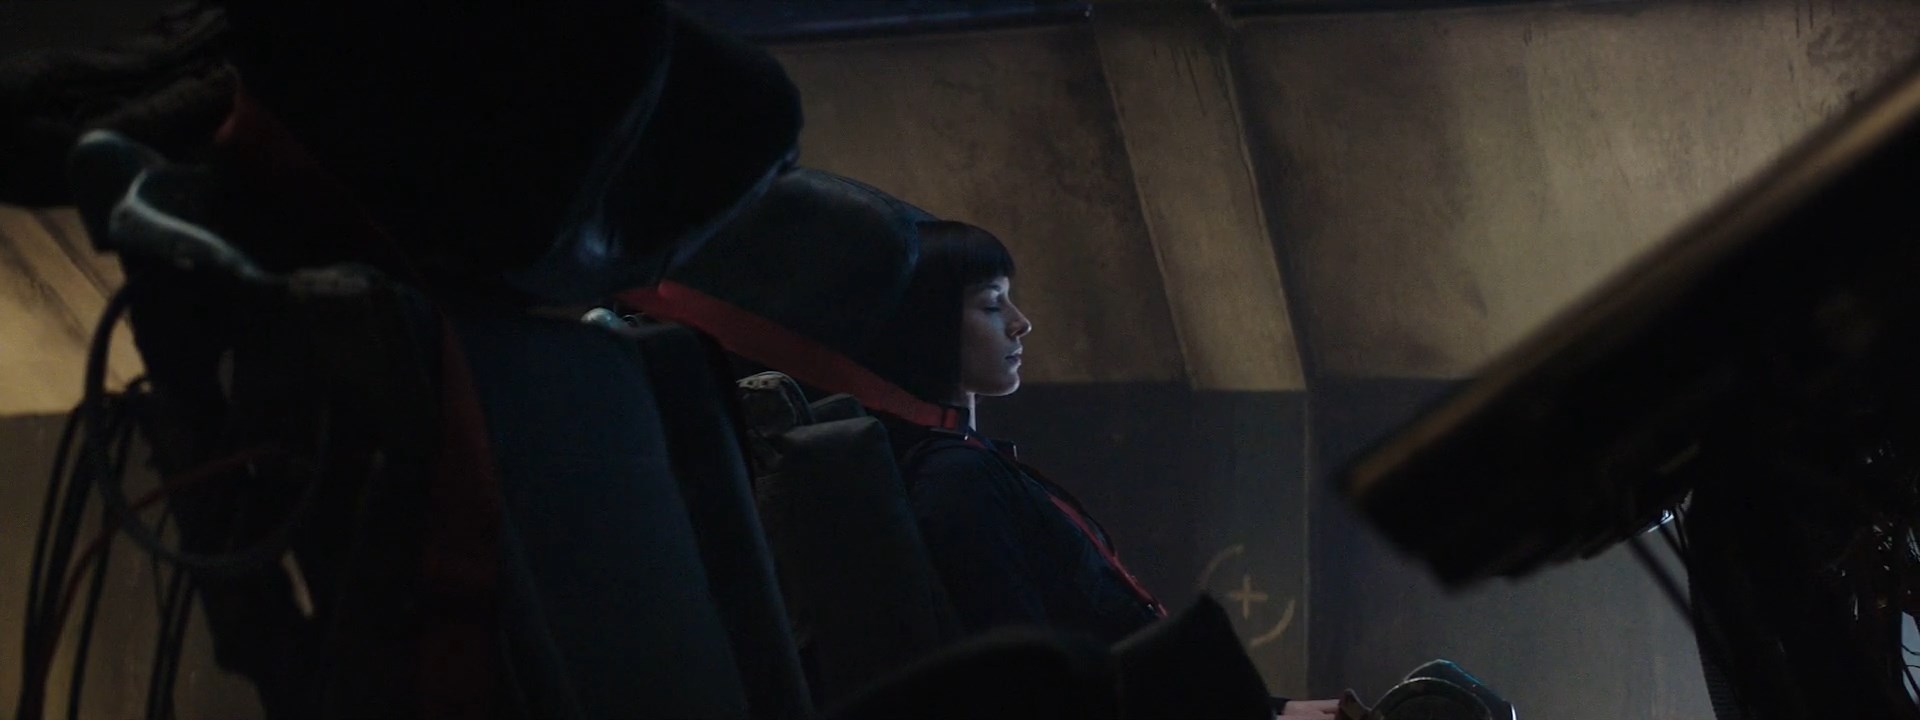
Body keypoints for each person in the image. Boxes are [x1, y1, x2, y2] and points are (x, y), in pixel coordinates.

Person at [859, 221, 1341, 719]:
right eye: (992, 304)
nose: (1020, 322)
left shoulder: (975, 465)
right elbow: (1036, 686)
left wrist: (1275, 710)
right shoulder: (957, 481)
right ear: (932, 324)